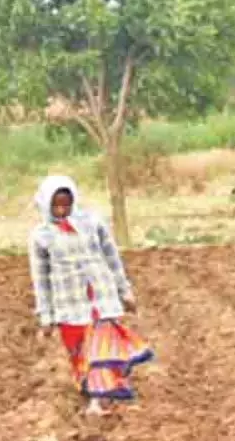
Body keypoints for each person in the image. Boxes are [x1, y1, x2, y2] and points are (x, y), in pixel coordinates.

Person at [29, 175, 154, 416]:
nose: (62, 210)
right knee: (80, 354)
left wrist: (124, 290)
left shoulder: (92, 223)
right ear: (46, 205)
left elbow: (112, 258)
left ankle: (99, 400)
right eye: (56, 206)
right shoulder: (41, 236)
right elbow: (41, 278)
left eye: (66, 204)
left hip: (101, 297)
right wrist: (46, 316)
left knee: (101, 351)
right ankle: (94, 391)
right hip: (69, 304)